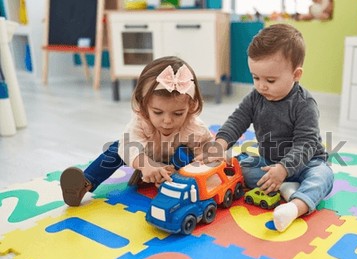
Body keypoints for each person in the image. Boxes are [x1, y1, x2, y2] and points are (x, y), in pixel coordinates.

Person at [198, 24, 334, 232]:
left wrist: (284, 169)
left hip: (307, 163)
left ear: (296, 74)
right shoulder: (255, 97)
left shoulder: (304, 104)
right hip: (269, 163)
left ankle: (294, 208)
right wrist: (220, 144)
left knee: (323, 176)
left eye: (270, 80)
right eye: (256, 78)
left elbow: (305, 144)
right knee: (238, 165)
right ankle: (284, 188)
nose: (261, 86)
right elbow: (237, 120)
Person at [60, 56, 213, 206]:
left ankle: (172, 182)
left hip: (175, 170)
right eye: (158, 112)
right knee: (117, 148)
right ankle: (85, 182)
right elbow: (129, 147)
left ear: (191, 106)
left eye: (178, 113)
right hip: (144, 158)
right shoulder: (141, 121)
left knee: (186, 152)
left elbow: (208, 146)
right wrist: (146, 165)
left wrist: (205, 156)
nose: (167, 121)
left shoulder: (194, 127)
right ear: (143, 105)